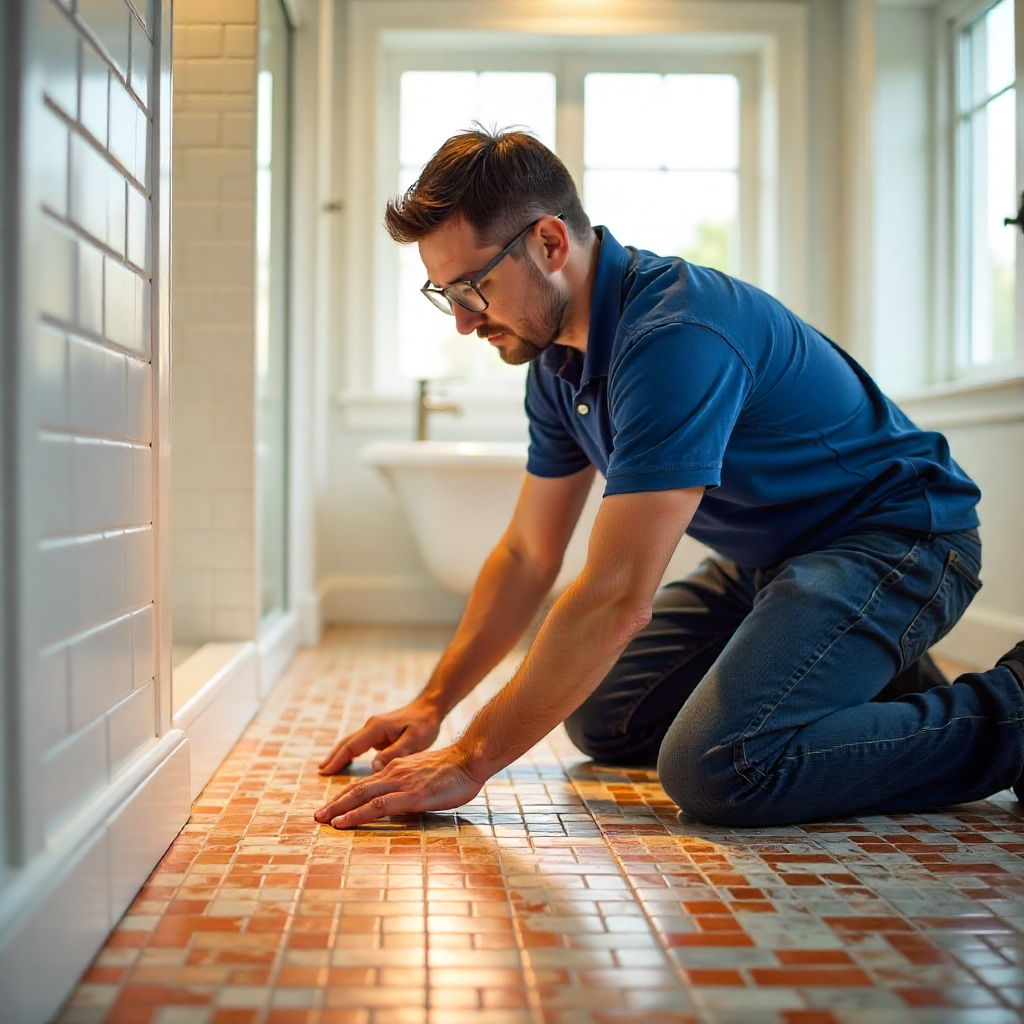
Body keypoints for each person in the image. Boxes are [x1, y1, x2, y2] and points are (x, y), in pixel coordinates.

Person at [314, 128, 1024, 830]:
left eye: (475, 288)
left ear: (550, 245)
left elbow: (616, 598)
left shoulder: (673, 337)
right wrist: (434, 704)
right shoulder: (557, 363)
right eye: (446, 294)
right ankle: (878, 679)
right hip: (773, 559)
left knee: (722, 767)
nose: (466, 323)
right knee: (607, 717)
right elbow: (529, 554)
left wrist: (472, 759)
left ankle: (1014, 709)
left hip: (899, 537)